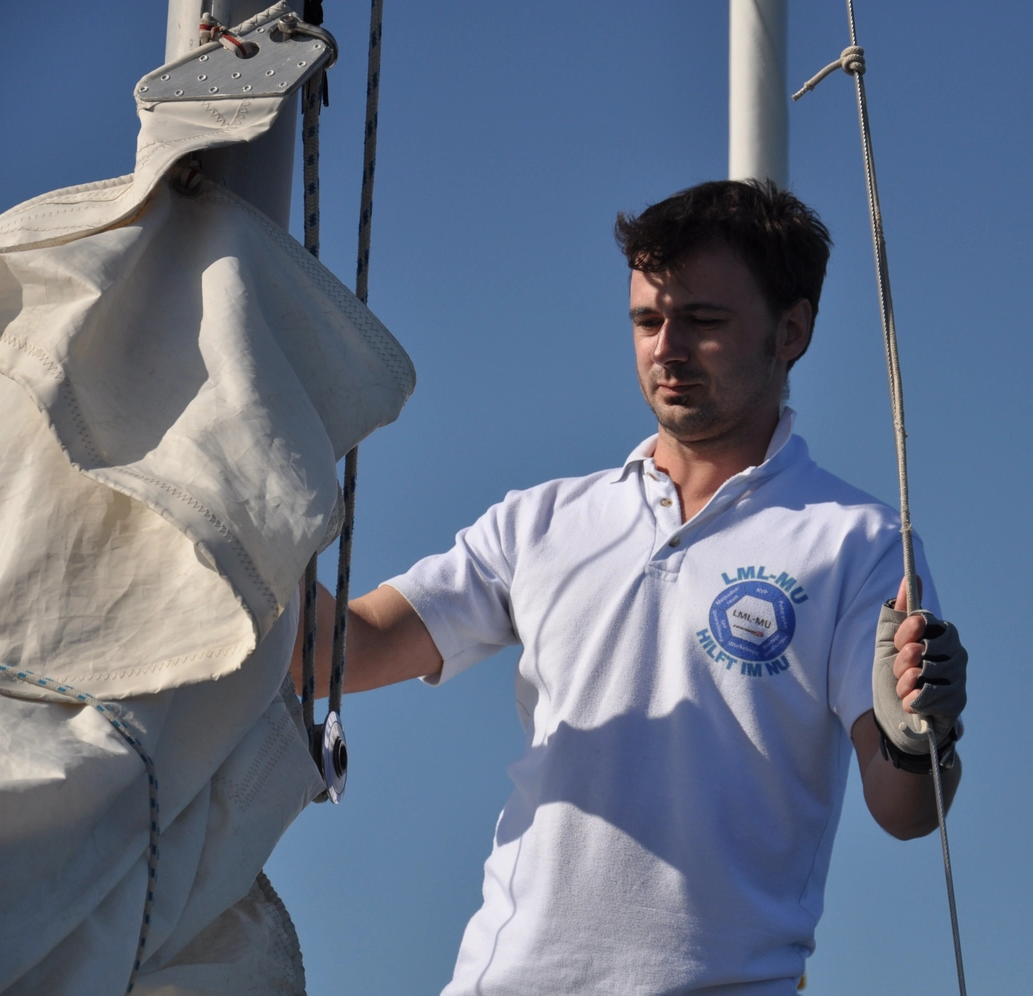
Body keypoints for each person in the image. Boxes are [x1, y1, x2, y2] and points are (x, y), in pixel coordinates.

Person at [296, 179, 969, 995]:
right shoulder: (542, 521)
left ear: (791, 330)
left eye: (703, 322)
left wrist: (919, 737)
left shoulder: (859, 543)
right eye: (648, 321)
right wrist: (228, 502)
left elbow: (906, 811)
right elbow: (335, 655)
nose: (666, 349)